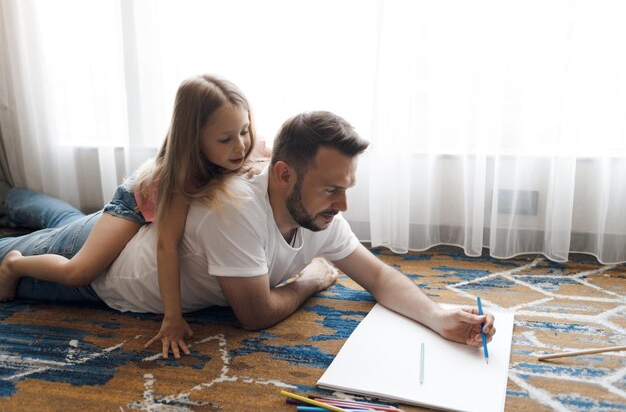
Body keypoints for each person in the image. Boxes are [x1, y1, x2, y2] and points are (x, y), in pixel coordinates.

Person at [0, 110, 495, 350]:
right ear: (284, 175)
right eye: (331, 190)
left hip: (121, 231)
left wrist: (436, 315)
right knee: (31, 249)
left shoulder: (319, 211)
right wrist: (311, 280)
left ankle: (15, 194)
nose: (343, 206)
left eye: (347, 188)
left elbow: (380, 277)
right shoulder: (237, 210)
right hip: (105, 278)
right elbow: (254, 315)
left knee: (65, 220)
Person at [0, 74, 258, 359]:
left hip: (147, 199)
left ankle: (30, 206)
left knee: (70, 225)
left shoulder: (236, 146)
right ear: (194, 139)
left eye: (244, 131)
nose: (240, 146)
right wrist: (172, 317)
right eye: (226, 139)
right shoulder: (182, 178)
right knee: (79, 272)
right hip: (132, 207)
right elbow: (166, 245)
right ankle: (15, 264)